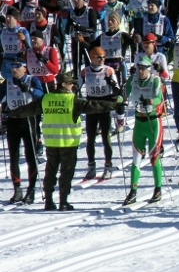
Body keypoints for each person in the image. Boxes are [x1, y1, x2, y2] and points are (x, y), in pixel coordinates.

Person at [6, 72, 121, 210]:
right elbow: (94, 105)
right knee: (66, 173)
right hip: (68, 143)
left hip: (51, 143)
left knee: (50, 172)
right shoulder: (72, 100)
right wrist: (114, 105)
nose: (73, 85)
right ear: (64, 84)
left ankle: (48, 201)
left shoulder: (46, 99)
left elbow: (27, 110)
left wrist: (11, 114)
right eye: (71, 83)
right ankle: (63, 202)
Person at [123, 56, 166, 205]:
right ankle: (133, 191)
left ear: (149, 69)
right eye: (139, 68)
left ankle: (158, 189)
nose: (140, 71)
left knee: (154, 158)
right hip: (139, 123)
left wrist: (150, 101)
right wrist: (119, 102)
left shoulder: (155, 80)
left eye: (143, 69)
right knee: (136, 159)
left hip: (153, 122)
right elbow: (124, 94)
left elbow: (160, 99)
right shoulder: (133, 80)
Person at [1, 60, 45, 203]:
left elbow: (41, 95)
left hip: (29, 120)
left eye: (17, 67)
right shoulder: (7, 83)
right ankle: (17, 189)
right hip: (13, 120)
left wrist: (30, 90)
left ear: (24, 69)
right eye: (12, 67)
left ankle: (31, 190)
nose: (14, 70)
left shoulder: (33, 80)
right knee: (14, 156)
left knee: (30, 155)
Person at [78, 46, 122, 180]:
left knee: (105, 137)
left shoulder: (109, 70)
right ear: (92, 58)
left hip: (105, 104)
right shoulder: (85, 71)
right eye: (99, 57)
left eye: (103, 57)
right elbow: (77, 86)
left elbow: (118, 91)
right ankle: (91, 166)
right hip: (91, 105)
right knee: (90, 138)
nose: (102, 59)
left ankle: (108, 165)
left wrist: (112, 84)